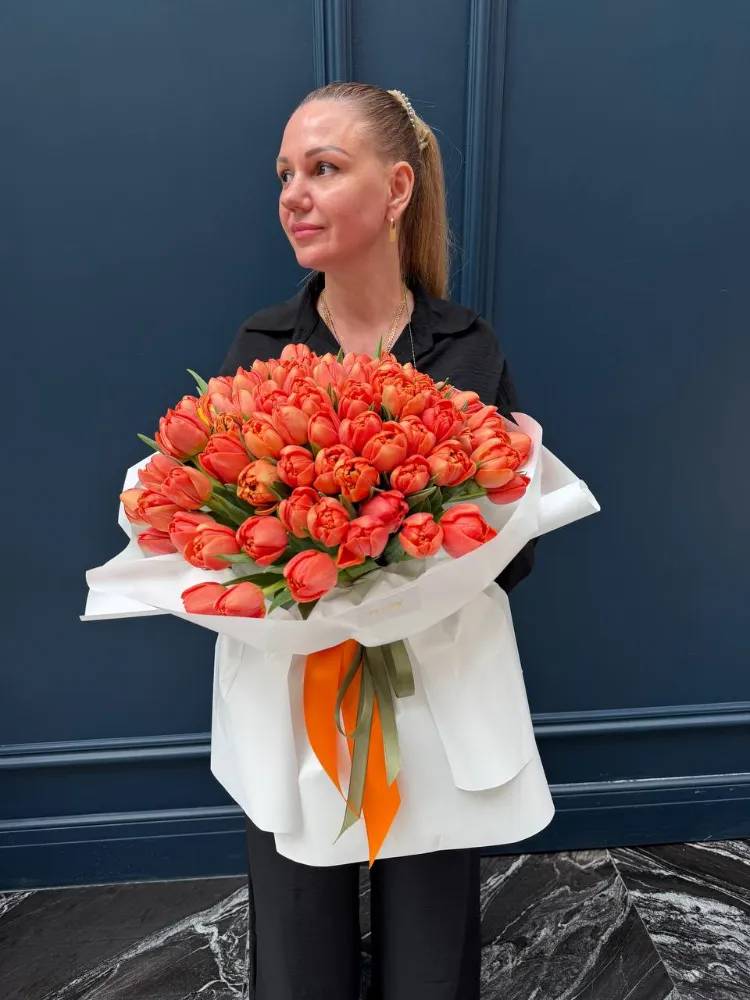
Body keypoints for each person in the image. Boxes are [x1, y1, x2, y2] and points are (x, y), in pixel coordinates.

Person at [217, 82, 542, 1000]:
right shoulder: (262, 346)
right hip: (295, 697)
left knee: (433, 952)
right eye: (286, 173)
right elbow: (231, 540)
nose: (293, 192)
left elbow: (510, 558)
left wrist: (476, 527)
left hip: (435, 694)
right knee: (296, 945)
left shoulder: (468, 350)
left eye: (323, 168)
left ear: (397, 189)